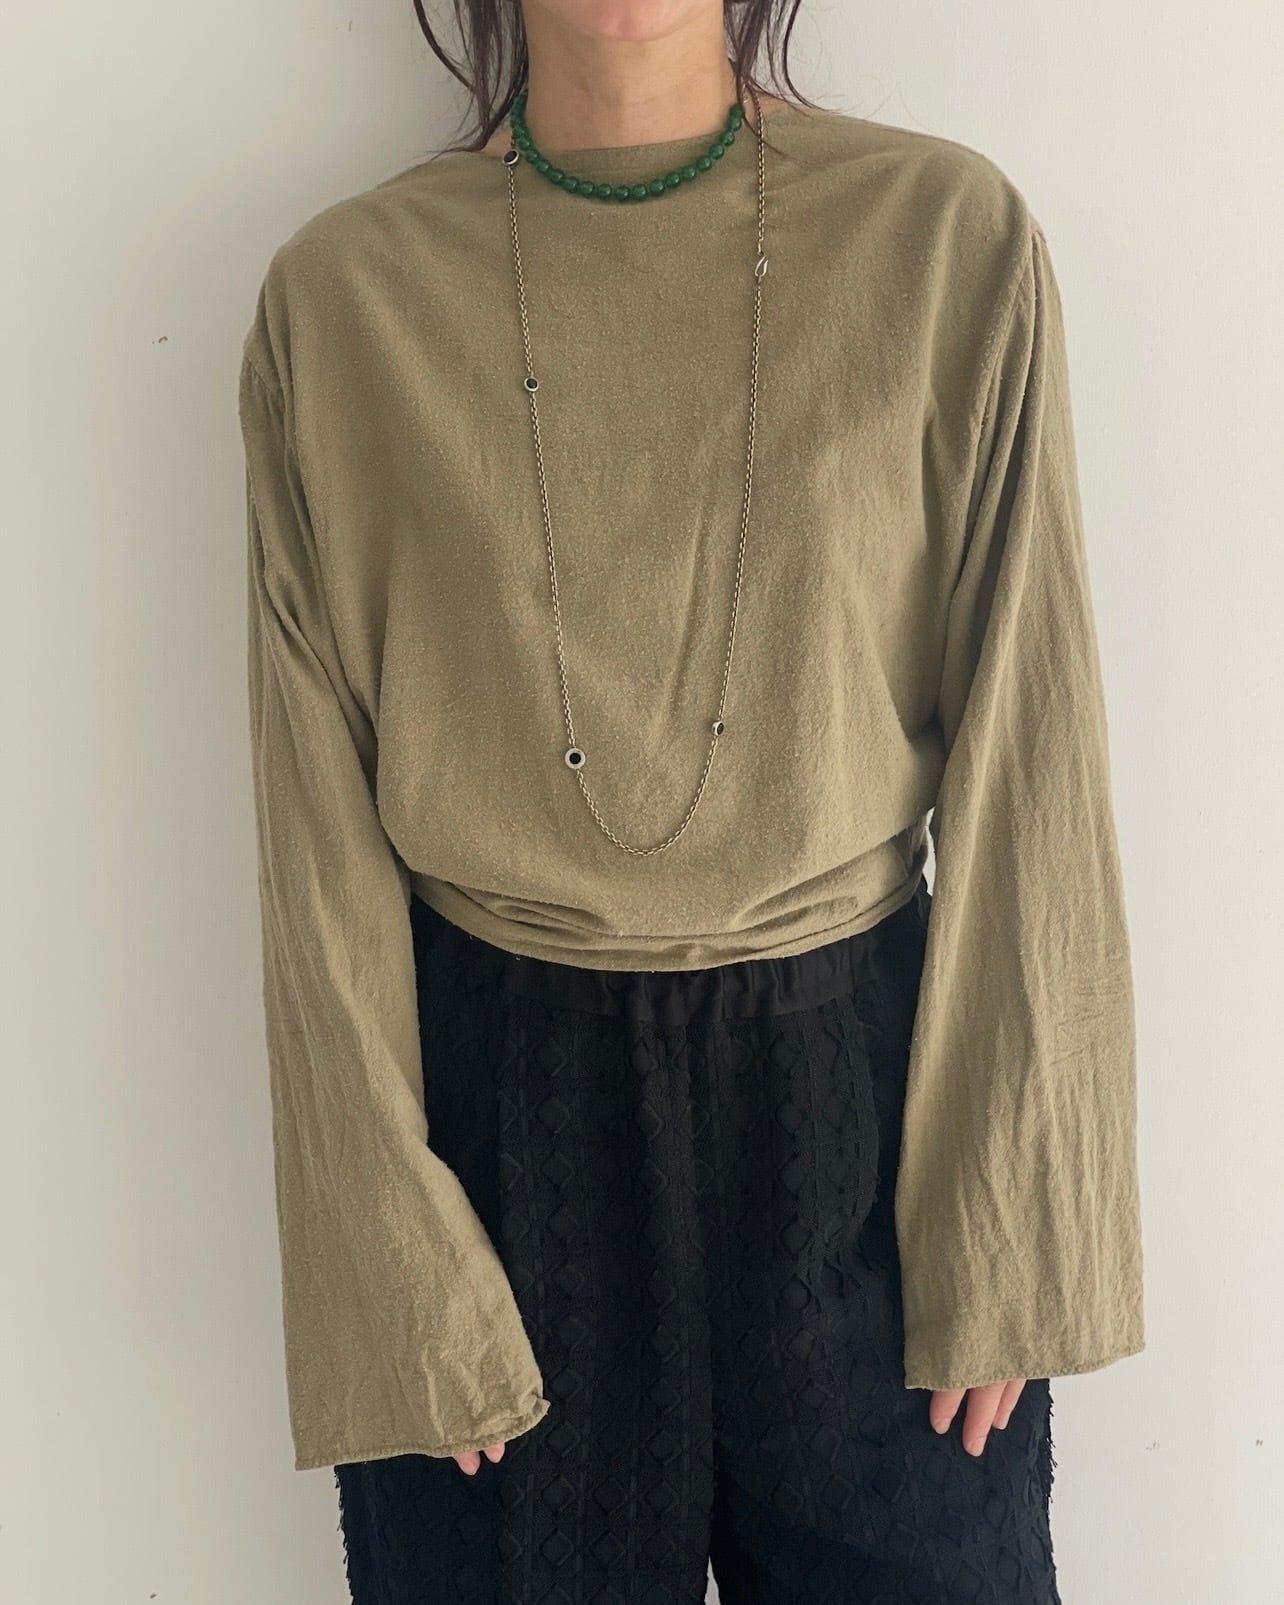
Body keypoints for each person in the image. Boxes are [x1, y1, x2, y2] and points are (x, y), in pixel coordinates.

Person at [237, 2, 1145, 1600]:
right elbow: (312, 835)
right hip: (495, 1143)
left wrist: (1017, 1217)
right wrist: (385, 1251)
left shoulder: (945, 241)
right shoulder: (344, 299)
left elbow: (1035, 747)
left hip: (870, 1124)